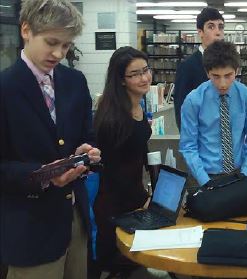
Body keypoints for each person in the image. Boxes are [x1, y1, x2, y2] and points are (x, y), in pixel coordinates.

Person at [0, 0, 101, 278]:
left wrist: (87, 151)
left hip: (75, 220)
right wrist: (43, 176)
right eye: (51, 42)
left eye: (66, 45)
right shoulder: (5, 88)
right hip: (30, 230)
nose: (58, 53)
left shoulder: (75, 81)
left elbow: (85, 135)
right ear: (26, 30)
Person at [92, 47, 153, 276]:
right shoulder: (113, 118)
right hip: (114, 208)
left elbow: (137, 154)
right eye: (135, 74)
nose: (144, 77)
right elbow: (114, 173)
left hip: (133, 201)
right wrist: (143, 200)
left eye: (146, 70)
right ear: (122, 80)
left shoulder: (137, 105)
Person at [179, 40, 247, 187]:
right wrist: (205, 181)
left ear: (237, 71)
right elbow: (188, 146)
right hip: (204, 175)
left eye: (228, 75)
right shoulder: (193, 100)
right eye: (215, 76)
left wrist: (245, 175)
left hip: (240, 173)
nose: (222, 83)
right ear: (207, 73)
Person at [173, 7, 224, 129]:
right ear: (200, 32)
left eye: (221, 27)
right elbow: (181, 110)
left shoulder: (226, 64)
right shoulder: (187, 66)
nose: (218, 32)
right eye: (211, 27)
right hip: (200, 139)